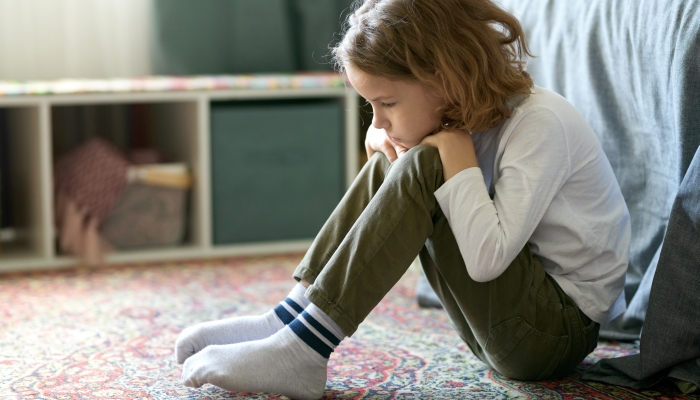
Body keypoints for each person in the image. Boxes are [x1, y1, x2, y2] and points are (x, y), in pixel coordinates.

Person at [176, 0, 631, 398]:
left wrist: (452, 157)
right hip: (501, 326)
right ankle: (292, 318)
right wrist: (386, 139)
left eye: (387, 103)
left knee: (423, 164)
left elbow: (487, 261)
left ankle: (306, 346)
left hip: (551, 336)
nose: (378, 119)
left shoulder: (539, 123)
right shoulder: (461, 113)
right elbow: (411, 157)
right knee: (403, 158)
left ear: (445, 78)